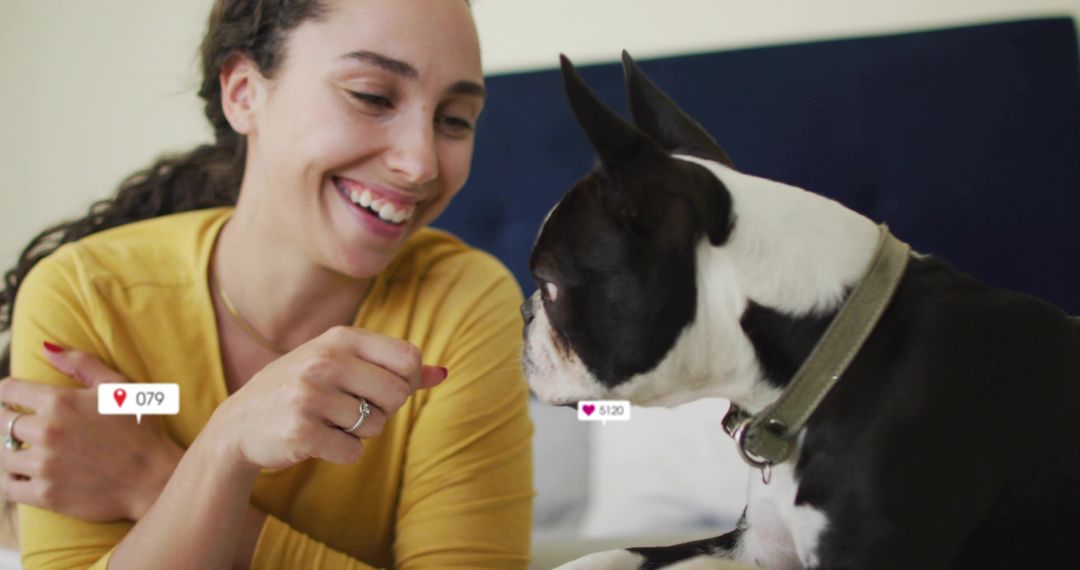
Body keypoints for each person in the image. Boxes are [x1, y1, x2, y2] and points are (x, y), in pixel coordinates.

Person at [0, 0, 534, 568]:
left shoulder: (463, 302)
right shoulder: (86, 293)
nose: (420, 162)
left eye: (454, 120)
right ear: (243, 92)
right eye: (372, 96)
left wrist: (167, 476)